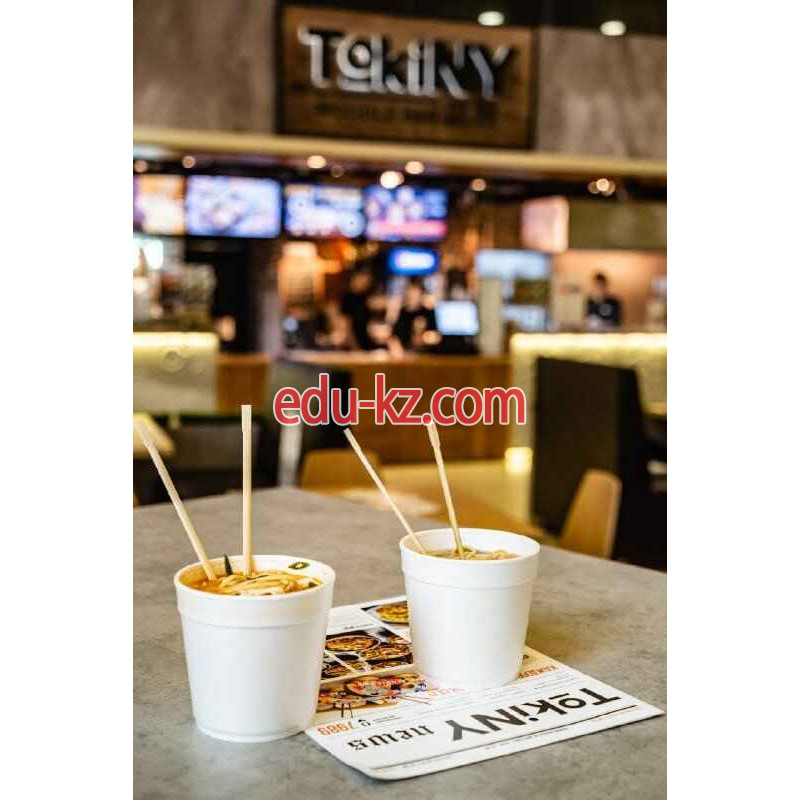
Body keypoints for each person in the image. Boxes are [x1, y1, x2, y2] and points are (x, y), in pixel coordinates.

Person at [389, 279, 437, 356]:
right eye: (409, 293)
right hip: (405, 354)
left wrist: (424, 338)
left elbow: (436, 336)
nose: (412, 296)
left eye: (415, 293)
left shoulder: (428, 312)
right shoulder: (401, 312)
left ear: (421, 294)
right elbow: (394, 336)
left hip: (427, 353)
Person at [340, 269, 375, 350]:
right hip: (355, 340)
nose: (364, 282)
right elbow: (346, 324)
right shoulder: (348, 298)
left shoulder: (368, 296)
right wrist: (354, 346)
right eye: (361, 279)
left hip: (370, 340)